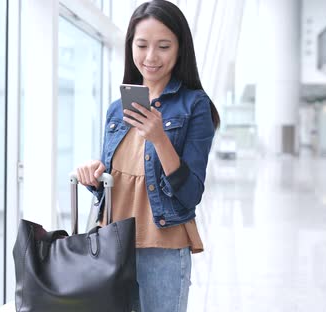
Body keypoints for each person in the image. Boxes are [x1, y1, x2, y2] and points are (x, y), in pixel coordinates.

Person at [76, 1, 220, 311]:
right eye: (142, 45)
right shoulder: (117, 109)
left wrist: (159, 138)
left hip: (162, 247)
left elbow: (191, 194)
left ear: (180, 49)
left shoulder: (195, 106)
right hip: (111, 244)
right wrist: (94, 175)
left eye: (163, 46)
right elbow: (115, 183)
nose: (151, 57)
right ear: (130, 47)